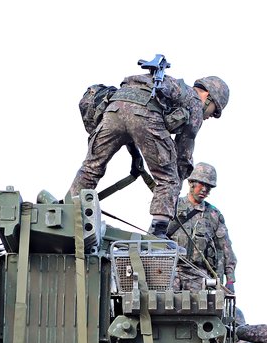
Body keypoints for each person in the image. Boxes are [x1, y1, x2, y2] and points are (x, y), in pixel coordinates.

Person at [69, 69, 229, 236]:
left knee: (91, 167)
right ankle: (158, 231)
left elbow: (130, 114)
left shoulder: (165, 85)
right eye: (214, 110)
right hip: (146, 115)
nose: (211, 116)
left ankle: (67, 211)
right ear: (208, 96)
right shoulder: (195, 101)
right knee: (169, 177)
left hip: (113, 109)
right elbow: (183, 155)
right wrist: (173, 191)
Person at [167, 162, 237, 291]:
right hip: (171, 272)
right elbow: (154, 238)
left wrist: (230, 279)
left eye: (209, 186)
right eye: (202, 184)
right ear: (191, 183)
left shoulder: (213, 215)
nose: (205, 189)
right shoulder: (172, 207)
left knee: (200, 307)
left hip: (198, 275)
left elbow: (225, 248)